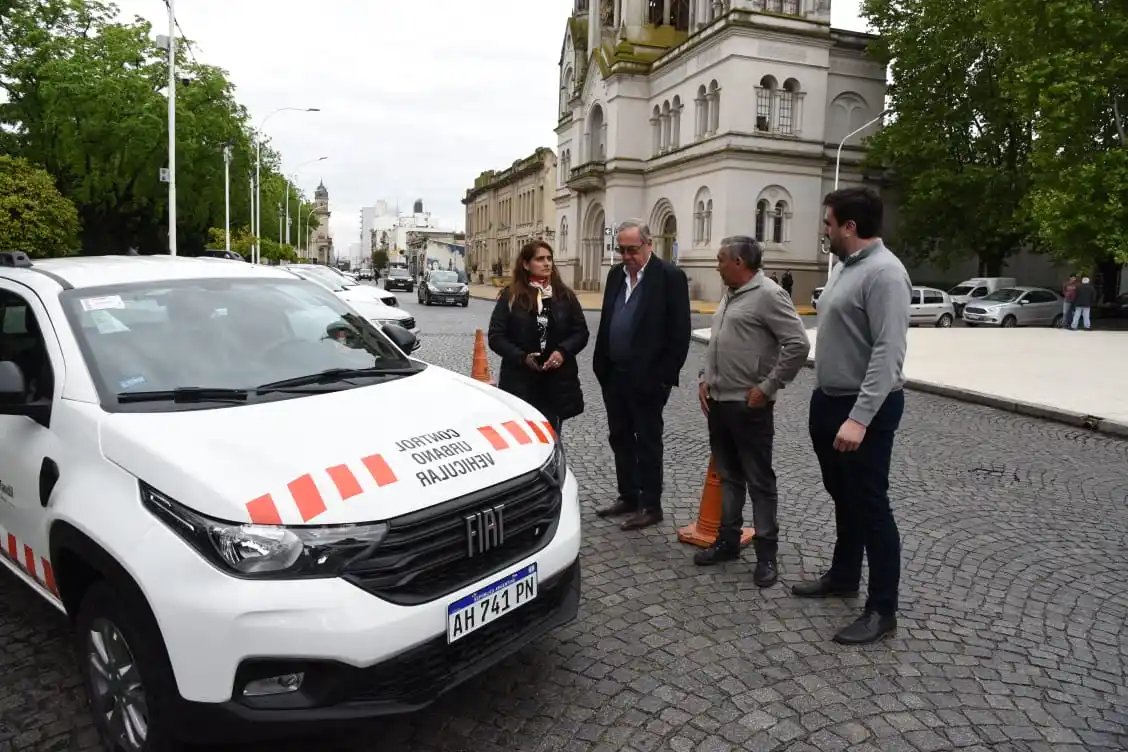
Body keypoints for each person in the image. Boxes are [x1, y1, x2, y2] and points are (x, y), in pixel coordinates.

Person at [793, 186, 911, 645]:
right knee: (842, 494)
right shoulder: (845, 266)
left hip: (865, 409)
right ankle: (844, 575)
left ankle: (883, 608)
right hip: (830, 400)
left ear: (850, 227)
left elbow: (888, 352)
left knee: (871, 505)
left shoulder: (885, 274)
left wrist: (860, 417)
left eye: (829, 223)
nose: (824, 230)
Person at [696, 237, 810, 587]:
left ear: (740, 261)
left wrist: (768, 386)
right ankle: (728, 541)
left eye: (721, 260)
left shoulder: (770, 295)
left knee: (760, 481)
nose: (716, 265)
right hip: (718, 401)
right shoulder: (731, 292)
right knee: (729, 476)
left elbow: (798, 345)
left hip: (749, 405)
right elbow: (721, 341)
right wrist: (705, 378)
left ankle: (766, 556)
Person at [593, 219, 691, 530]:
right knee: (620, 437)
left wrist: (662, 378)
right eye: (621, 249)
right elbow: (609, 318)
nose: (626, 256)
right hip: (615, 376)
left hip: (648, 380)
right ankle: (628, 495)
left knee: (648, 440)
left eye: (632, 249)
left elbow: (679, 333)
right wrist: (603, 368)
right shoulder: (614, 275)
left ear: (648, 245)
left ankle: (651, 504)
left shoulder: (669, 277)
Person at [487, 240, 589, 436]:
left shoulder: (564, 296)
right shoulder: (511, 296)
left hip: (556, 383)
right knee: (523, 438)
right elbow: (496, 336)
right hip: (520, 382)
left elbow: (581, 332)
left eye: (549, 259)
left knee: (551, 438)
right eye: (540, 259)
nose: (547, 263)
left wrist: (562, 352)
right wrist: (522, 356)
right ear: (526, 264)